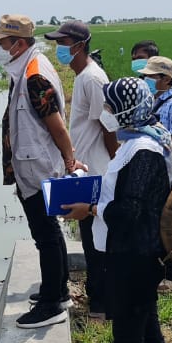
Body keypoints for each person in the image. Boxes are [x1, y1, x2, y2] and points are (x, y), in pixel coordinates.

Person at [62, 78, 172, 343]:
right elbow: (124, 194)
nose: (105, 114)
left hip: (134, 257)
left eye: (110, 107)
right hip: (134, 254)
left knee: (129, 337)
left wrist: (90, 208)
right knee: (147, 329)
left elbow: (131, 210)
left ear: (125, 110)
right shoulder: (139, 142)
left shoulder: (143, 150)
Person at [0, 14, 82, 329]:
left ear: (18, 43)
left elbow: (56, 126)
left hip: (38, 169)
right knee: (48, 233)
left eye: (2, 43)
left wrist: (70, 160)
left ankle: (52, 303)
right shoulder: (29, 67)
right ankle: (57, 290)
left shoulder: (34, 75)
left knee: (46, 235)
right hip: (34, 166)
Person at [45, 20, 116, 319]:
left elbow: (108, 127)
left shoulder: (92, 79)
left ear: (79, 45)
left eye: (63, 43)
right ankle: (97, 296)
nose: (59, 48)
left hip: (98, 170)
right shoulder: (83, 76)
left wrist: (115, 167)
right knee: (88, 234)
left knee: (95, 237)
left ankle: (101, 303)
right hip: (87, 168)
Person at [140, 56, 172, 148]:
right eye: (145, 76)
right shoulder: (150, 98)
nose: (146, 80)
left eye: (151, 76)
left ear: (167, 79)